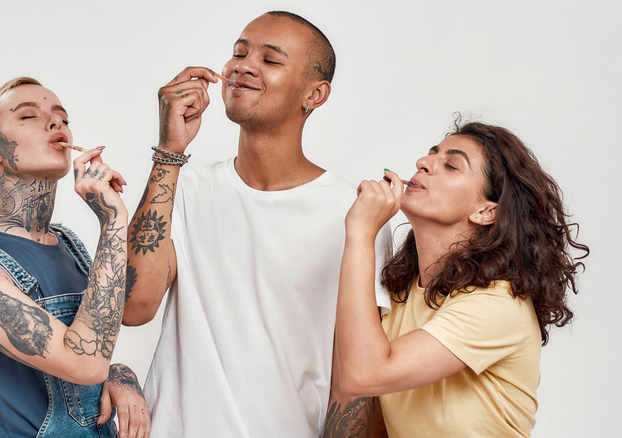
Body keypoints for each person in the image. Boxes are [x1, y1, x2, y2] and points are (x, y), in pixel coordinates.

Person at [122, 11, 392, 437]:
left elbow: (353, 382)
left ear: (315, 94)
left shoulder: (356, 214)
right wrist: (169, 150)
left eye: (271, 59)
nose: (242, 65)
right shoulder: (184, 185)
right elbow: (132, 307)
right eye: (239, 53)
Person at [0, 77, 150, 438]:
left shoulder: (67, 244)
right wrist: (113, 221)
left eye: (62, 116)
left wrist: (119, 375)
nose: (56, 122)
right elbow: (85, 363)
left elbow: (85, 358)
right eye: (28, 116)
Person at [333, 119, 589, 436]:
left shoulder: (497, 303)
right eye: (430, 154)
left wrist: (360, 233)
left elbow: (364, 374)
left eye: (451, 165)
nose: (422, 163)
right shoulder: (402, 290)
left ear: (486, 211)